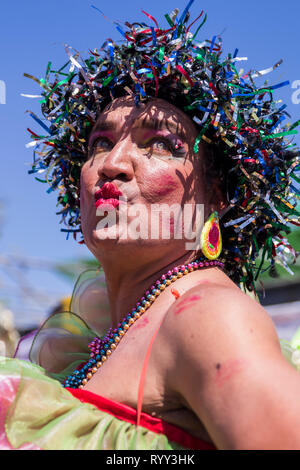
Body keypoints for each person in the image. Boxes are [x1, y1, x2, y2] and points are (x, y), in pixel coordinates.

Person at [1, 2, 300, 450]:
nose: (113, 164)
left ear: (218, 197)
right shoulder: (97, 336)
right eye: (100, 143)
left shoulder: (207, 316)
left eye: (160, 144)